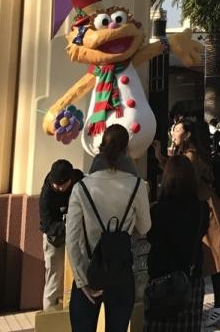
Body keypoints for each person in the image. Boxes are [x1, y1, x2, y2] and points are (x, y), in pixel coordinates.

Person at [66, 125, 151, 332]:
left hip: (90, 271)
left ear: (101, 148)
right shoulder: (138, 185)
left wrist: (81, 280)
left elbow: (73, 238)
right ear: (126, 150)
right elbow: (145, 227)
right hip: (122, 272)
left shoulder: (81, 187)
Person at [168, 117, 220, 325]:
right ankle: (217, 303)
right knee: (211, 255)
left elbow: (187, 182)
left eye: (177, 130)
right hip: (205, 206)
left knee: (213, 255)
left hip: (207, 208)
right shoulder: (189, 153)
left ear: (187, 134)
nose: (173, 133)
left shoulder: (191, 156)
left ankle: (219, 303)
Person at [145, 154, 203, 332]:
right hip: (190, 279)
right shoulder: (201, 209)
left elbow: (150, 238)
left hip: (161, 280)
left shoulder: (157, 211)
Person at [39, 157, 84, 309]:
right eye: (55, 185)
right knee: (54, 280)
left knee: (79, 276)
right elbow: (46, 224)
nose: (58, 188)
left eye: (62, 185)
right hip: (55, 240)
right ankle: (50, 313)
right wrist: (67, 225)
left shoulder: (79, 180)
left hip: (77, 238)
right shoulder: (47, 194)